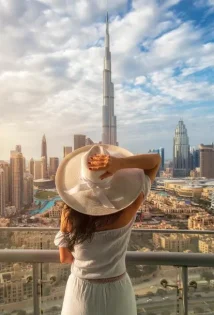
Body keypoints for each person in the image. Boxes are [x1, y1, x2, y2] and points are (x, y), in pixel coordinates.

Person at [54, 144, 161, 315]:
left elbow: (65, 258)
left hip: (81, 292)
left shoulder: (68, 213)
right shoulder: (129, 206)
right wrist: (119, 164)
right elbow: (155, 160)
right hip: (117, 290)